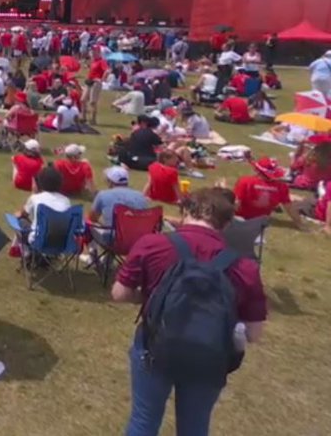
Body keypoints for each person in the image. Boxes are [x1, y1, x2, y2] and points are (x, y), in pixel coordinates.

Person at [111, 187, 267, 436]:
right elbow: (255, 333)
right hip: (210, 355)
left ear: (184, 211)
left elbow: (119, 293)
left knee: (144, 420)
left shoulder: (152, 244)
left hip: (155, 347)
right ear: (227, 224)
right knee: (195, 426)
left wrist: (151, 296)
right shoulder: (245, 266)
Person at [233, 158, 306, 227]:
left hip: (242, 217)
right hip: (262, 219)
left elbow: (236, 204)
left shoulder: (245, 182)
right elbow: (289, 207)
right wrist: (300, 224)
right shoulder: (281, 186)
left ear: (257, 170)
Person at [18, 167, 73, 242]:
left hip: (38, 240)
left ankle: (25, 250)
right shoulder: (66, 200)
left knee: (20, 221)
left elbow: (23, 214)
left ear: (40, 183)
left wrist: (34, 192)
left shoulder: (35, 198)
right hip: (62, 242)